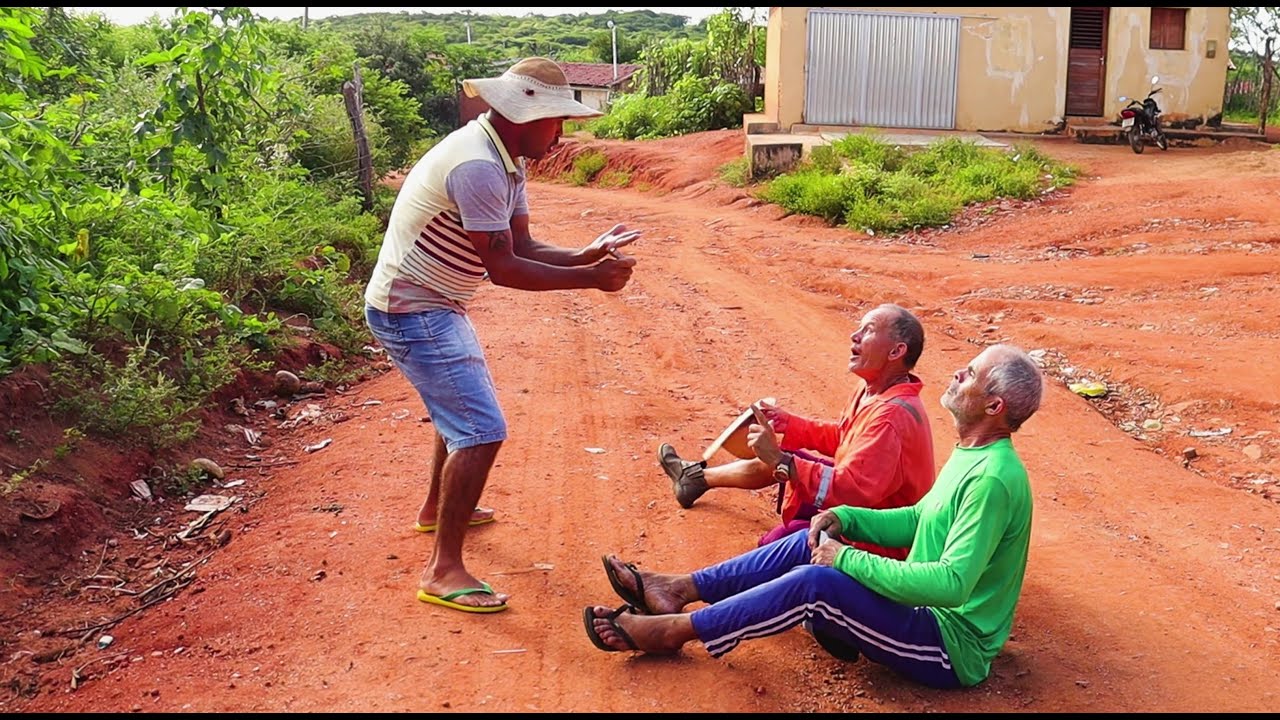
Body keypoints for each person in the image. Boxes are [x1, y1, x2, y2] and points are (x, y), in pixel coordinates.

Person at [585, 344, 1044, 691]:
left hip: (948, 645)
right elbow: (920, 518)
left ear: (994, 406)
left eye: (972, 375)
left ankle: (673, 631)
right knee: (809, 533)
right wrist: (845, 519)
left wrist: (843, 558)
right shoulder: (974, 454)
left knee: (816, 582)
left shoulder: (992, 479)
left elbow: (951, 585)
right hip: (921, 610)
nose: (958, 372)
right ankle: (677, 589)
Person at [363, 57, 641, 613]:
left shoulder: (504, 156)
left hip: (432, 302)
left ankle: (434, 511)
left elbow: (521, 247)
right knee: (480, 428)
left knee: (459, 413)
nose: (561, 134)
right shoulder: (478, 167)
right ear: (522, 115)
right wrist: (589, 279)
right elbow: (504, 270)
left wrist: (584, 253)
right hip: (412, 308)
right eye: (556, 121)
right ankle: (443, 569)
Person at [657, 303, 935, 558]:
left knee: (776, 544)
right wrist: (789, 424)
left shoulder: (891, 415)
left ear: (896, 351)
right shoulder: (874, 390)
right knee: (787, 461)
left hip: (883, 541)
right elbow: (845, 439)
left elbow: (851, 492)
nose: (855, 335)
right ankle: (695, 479)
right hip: (862, 512)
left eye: (869, 330)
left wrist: (782, 462)